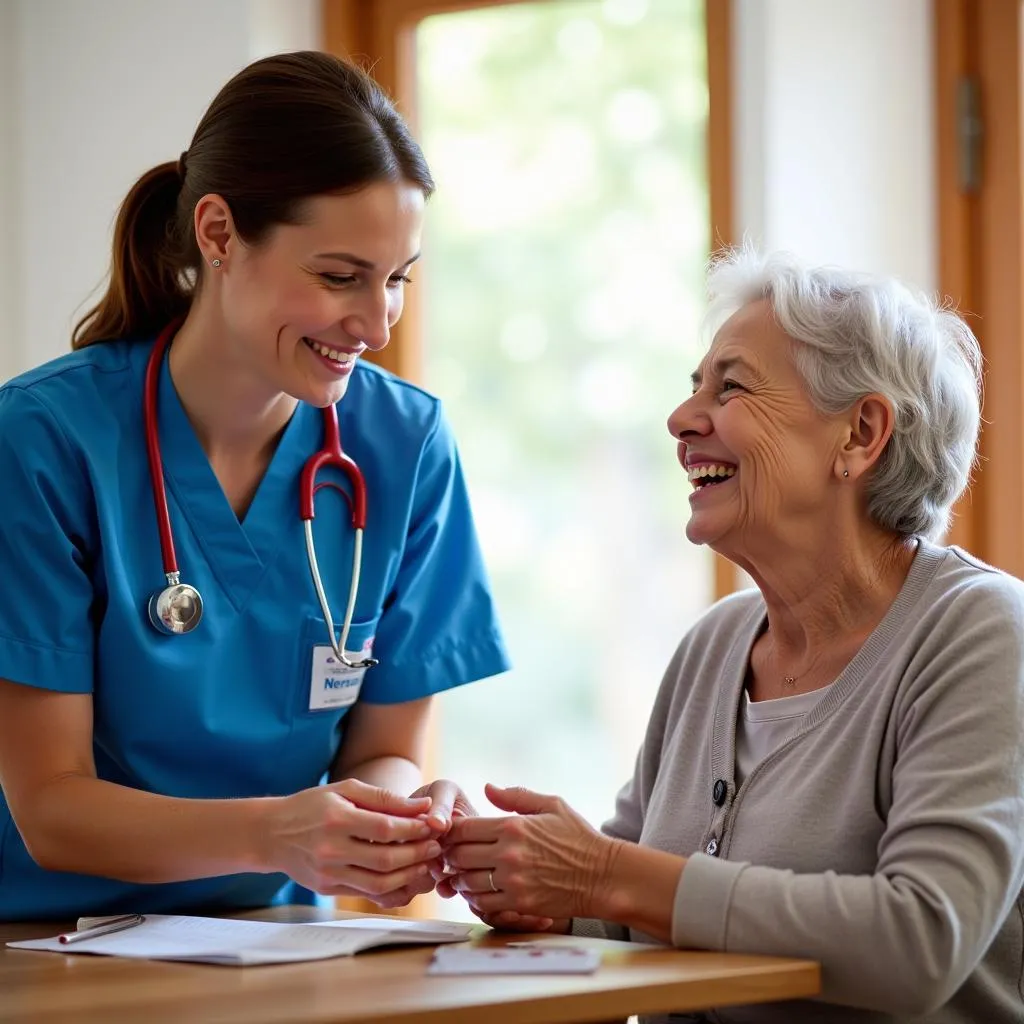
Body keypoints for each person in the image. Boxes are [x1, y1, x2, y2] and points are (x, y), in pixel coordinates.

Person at [441, 248, 1024, 1023]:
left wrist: (602, 875)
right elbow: (619, 910)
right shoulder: (715, 647)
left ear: (860, 432)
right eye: (693, 389)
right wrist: (514, 876)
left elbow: (919, 943)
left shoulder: (982, 634)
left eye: (732, 386)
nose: (682, 420)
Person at [0, 51, 507, 921]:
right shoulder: (42, 442)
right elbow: (50, 808)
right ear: (219, 233)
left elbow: (385, 750)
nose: (377, 324)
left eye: (397, 280)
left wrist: (396, 815)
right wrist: (275, 833)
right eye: (340, 277)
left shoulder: (406, 446)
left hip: (272, 948)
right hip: (47, 949)